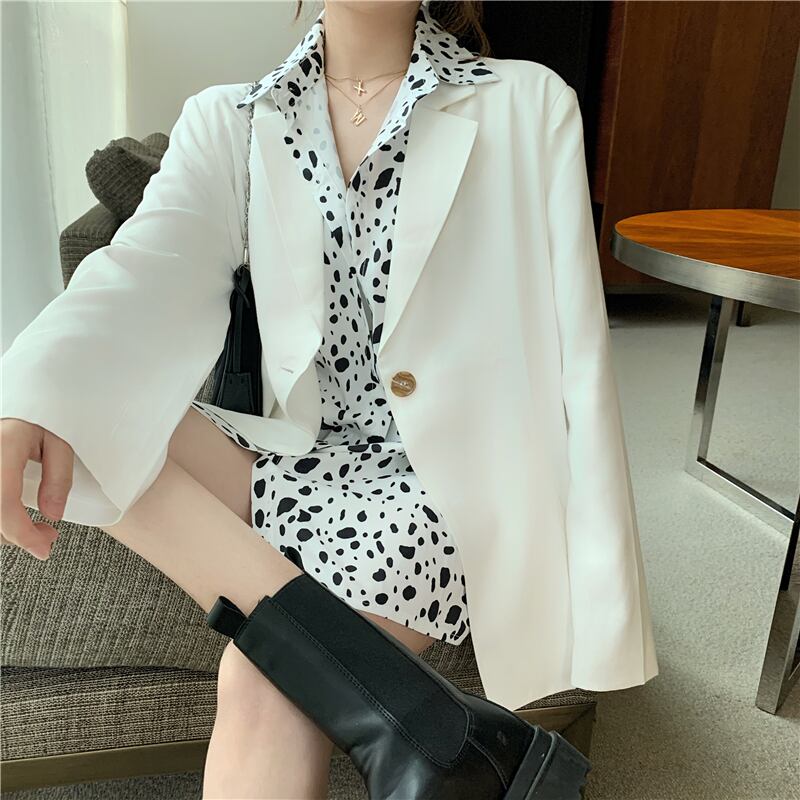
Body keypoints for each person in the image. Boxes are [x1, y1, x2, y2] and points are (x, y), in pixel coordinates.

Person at [1, 0, 660, 797]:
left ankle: (384, 705)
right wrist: (23, 398)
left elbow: (578, 353)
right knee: (63, 407)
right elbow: (141, 271)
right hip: (301, 456)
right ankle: (423, 723)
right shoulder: (232, 118)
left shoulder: (526, 104)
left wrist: (602, 589)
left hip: (445, 486)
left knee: (262, 678)